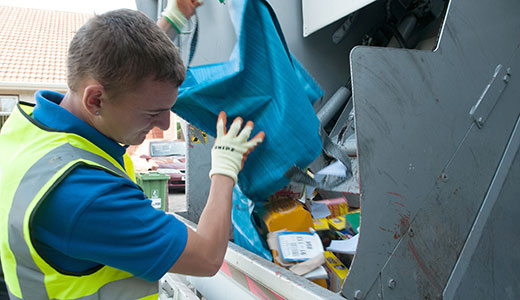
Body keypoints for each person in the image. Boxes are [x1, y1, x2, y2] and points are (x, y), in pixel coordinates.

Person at [0, 2, 264, 299]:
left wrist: (172, 21)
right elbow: (205, 257)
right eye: (152, 113)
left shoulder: (27, 130)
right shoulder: (87, 197)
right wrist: (225, 168)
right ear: (96, 101)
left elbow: (121, 76)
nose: (164, 122)